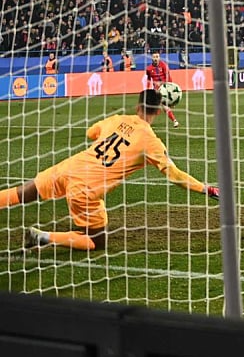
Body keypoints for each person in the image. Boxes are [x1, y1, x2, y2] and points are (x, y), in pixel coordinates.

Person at [0, 89, 219, 252]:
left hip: (69, 167)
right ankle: (43, 237)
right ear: (159, 112)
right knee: (97, 242)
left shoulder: (118, 119)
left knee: (21, 193)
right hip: (85, 188)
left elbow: (90, 133)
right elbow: (176, 175)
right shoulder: (151, 142)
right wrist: (205, 189)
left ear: (137, 106)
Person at [146, 52, 180, 128]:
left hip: (165, 89)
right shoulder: (148, 69)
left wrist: (170, 88)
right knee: (157, 106)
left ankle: (174, 120)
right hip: (156, 90)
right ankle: (175, 121)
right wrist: (148, 89)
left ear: (159, 58)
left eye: (157, 57)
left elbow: (169, 78)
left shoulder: (164, 65)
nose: (155, 58)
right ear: (152, 58)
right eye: (154, 57)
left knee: (162, 106)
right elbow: (149, 80)